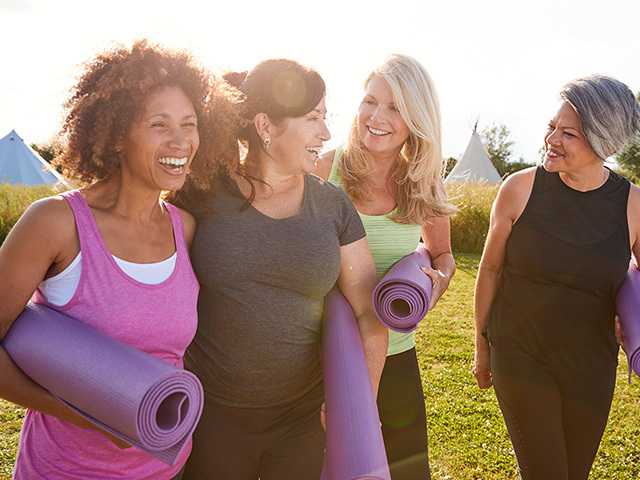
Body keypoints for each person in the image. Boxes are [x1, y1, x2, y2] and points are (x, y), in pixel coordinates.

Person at [0, 40, 239, 480]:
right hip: (65, 470)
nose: (181, 140)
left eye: (189, 124)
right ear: (116, 135)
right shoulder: (56, 223)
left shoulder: (184, 229)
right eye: (159, 124)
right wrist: (89, 412)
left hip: (167, 469)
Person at [178, 59, 388, 480]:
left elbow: (368, 314)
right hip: (211, 413)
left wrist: (358, 406)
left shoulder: (332, 205)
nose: (326, 133)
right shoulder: (199, 194)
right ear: (265, 126)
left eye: (325, 118)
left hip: (301, 417)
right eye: (313, 119)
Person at [473, 75, 640, 480]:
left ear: (606, 143)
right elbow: (490, 268)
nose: (552, 139)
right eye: (552, 126)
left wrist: (630, 312)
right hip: (521, 352)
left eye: (568, 133)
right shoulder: (520, 189)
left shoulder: (633, 204)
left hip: (592, 364)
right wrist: (481, 345)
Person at [315, 53, 456, 480]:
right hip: (321, 356)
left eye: (394, 107)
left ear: (415, 118)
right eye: (370, 100)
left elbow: (442, 254)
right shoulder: (325, 168)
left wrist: (437, 282)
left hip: (395, 356)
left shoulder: (423, 181)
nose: (376, 116)